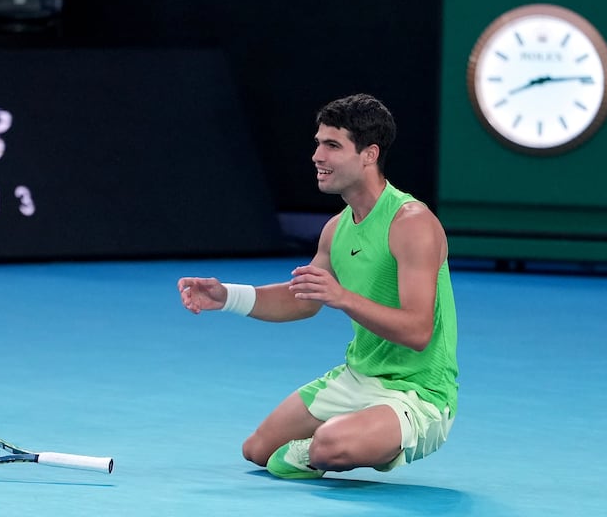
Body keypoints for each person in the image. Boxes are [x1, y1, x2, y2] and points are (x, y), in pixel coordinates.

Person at [177, 93, 459, 480]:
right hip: (358, 377)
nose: (317, 156)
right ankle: (346, 432)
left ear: (369, 154)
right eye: (318, 143)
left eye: (332, 145)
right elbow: (302, 301)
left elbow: (418, 331)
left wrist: (343, 298)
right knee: (257, 450)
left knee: (328, 446)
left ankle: (341, 439)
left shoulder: (412, 222)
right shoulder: (336, 229)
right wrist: (227, 296)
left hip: (418, 393)